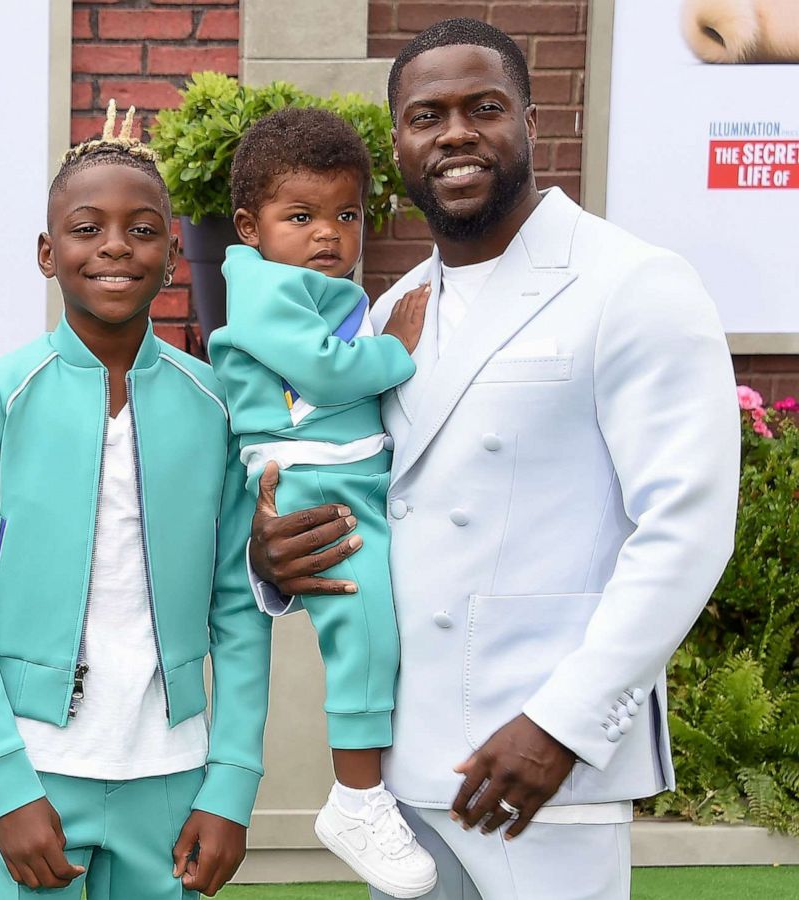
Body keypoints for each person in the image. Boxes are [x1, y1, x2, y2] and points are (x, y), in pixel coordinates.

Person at [246, 18, 739, 900]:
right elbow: (344, 480)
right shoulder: (390, 311)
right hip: (401, 766)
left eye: (484, 107)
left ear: (531, 123)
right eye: (425, 116)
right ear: (398, 143)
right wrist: (272, 561)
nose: (456, 134)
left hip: (541, 769)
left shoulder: (633, 283)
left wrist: (563, 725)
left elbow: (687, 530)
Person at [0, 103, 271, 900]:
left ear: (175, 255)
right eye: (87, 228)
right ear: (48, 253)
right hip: (37, 776)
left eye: (142, 229)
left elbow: (238, 605)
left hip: (174, 777)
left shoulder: (212, 404)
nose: (115, 246)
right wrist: (4, 783)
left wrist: (232, 782)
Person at [208, 107, 436, 899]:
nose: (328, 233)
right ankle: (357, 799)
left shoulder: (313, 284)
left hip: (345, 474)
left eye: (345, 214)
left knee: (377, 627)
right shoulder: (265, 287)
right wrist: (394, 350)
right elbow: (331, 372)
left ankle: (370, 785)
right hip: (313, 483)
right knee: (364, 629)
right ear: (250, 226)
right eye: (299, 216)